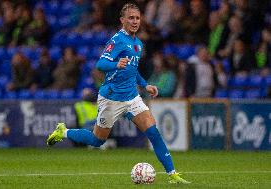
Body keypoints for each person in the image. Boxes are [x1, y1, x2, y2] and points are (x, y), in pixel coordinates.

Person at [47, 3, 190, 184]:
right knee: (97, 140)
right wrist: (116, 64)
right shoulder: (117, 41)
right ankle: (64, 132)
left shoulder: (137, 43)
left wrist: (145, 85)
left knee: (153, 132)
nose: (135, 21)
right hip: (111, 98)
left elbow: (132, 69)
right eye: (131, 18)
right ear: (122, 20)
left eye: (137, 18)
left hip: (131, 97)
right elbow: (100, 64)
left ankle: (172, 174)